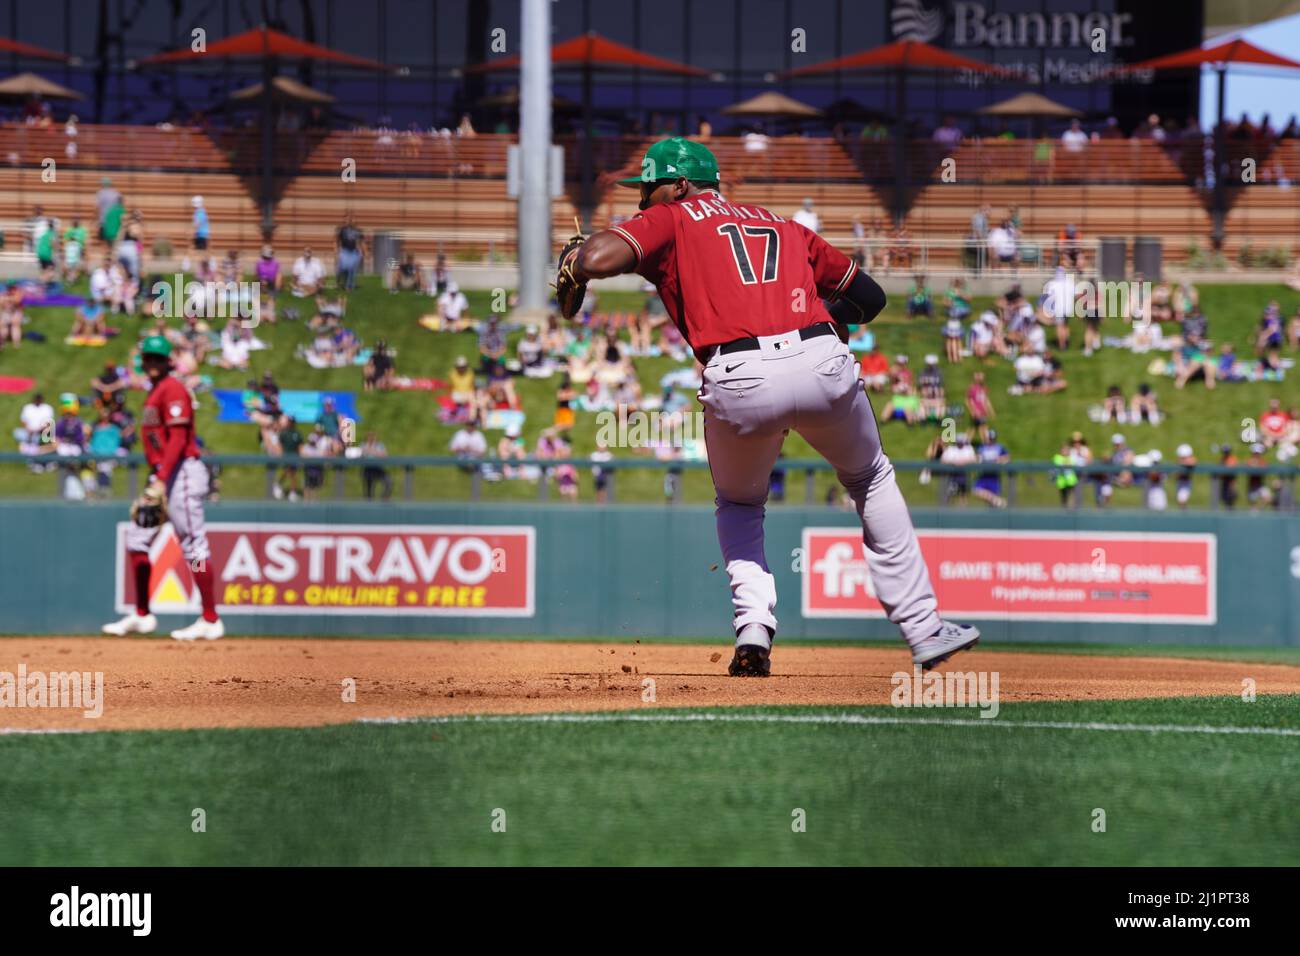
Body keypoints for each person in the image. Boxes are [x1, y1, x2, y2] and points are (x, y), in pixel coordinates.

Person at [561, 137, 978, 676]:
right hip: (821, 357)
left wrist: (574, 258)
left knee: (739, 503)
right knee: (871, 479)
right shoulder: (781, 222)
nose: (644, 199)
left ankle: (754, 629)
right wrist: (813, 318)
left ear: (682, 186)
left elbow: (596, 258)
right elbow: (870, 299)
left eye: (650, 186)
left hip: (740, 377)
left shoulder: (673, 216)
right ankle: (923, 630)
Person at [101, 335, 223, 640]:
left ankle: (210, 618)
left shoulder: (173, 389)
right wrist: (157, 477)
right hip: (162, 475)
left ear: (168, 361)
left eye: (158, 358)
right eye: (148, 358)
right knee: (137, 539)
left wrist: (162, 477)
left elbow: (179, 439)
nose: (152, 363)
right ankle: (142, 614)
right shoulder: (155, 391)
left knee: (194, 547)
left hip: (181, 473)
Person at [973, 429, 1009, 508]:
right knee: (977, 490)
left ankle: (994, 514)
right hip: (984, 474)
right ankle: (1000, 501)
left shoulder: (1000, 447)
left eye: (993, 438)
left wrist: (999, 460)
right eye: (989, 438)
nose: (991, 440)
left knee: (992, 504)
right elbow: (977, 458)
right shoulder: (982, 447)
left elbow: (1007, 458)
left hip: (994, 475)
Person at [335, 214, 365, 291]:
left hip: (354, 252)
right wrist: (337, 251)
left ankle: (349, 286)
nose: (349, 221)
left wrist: (362, 252)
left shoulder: (358, 231)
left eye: (350, 219)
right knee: (342, 268)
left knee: (352, 268)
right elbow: (336, 242)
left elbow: (360, 242)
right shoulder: (341, 230)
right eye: (347, 219)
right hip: (344, 251)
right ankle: (339, 282)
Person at [360, 432, 392, 500]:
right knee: (369, 490)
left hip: (378, 468)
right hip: (368, 469)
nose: (371, 438)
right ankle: (369, 502)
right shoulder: (363, 445)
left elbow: (385, 455)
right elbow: (361, 454)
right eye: (369, 436)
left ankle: (384, 498)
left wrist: (372, 451)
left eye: (373, 436)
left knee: (388, 482)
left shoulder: (380, 445)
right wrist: (375, 452)